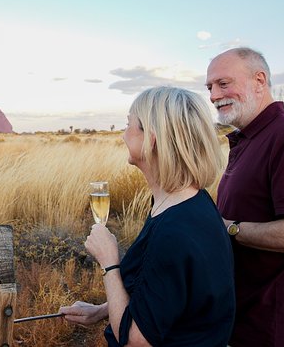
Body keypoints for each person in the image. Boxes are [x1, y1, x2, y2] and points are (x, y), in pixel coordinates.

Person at [60, 86, 235, 346]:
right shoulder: (188, 203)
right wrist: (102, 310)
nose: (122, 135)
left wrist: (109, 264)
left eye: (129, 124)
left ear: (152, 139)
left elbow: (134, 341)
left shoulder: (173, 230)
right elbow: (165, 296)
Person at [205, 47, 284, 347]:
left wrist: (229, 229)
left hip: (278, 330)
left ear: (259, 81)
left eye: (223, 83)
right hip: (246, 322)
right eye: (209, 87)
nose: (213, 95)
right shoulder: (251, 139)